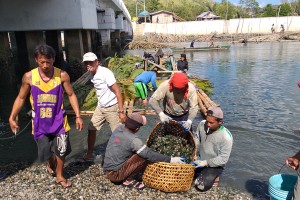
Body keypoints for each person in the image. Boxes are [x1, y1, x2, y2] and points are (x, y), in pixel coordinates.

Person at [8, 44, 84, 188]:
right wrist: (12, 117)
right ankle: (50, 162)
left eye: (48, 62)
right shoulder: (29, 77)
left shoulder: (62, 75)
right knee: (45, 152)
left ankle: (60, 175)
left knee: (61, 150)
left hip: (59, 122)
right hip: (39, 124)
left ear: (53, 60)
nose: (45, 65)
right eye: (42, 61)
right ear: (36, 60)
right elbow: (21, 98)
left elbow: (71, 94)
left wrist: (78, 116)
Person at [103, 113, 184, 190]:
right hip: (116, 175)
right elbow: (149, 155)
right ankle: (127, 179)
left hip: (107, 168)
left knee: (140, 150)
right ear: (137, 128)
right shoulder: (134, 140)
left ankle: (125, 175)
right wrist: (171, 159)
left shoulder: (119, 128)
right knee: (144, 155)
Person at [81, 52, 126, 161]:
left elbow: (117, 91)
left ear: (97, 62)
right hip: (100, 107)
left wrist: (121, 111)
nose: (88, 64)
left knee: (117, 133)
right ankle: (90, 153)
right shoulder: (92, 74)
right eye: (86, 62)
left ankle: (122, 156)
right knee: (91, 129)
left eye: (90, 62)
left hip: (111, 107)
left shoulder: (105, 73)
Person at [192, 106, 233, 192]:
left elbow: (223, 159)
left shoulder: (226, 137)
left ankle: (216, 175)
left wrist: (205, 163)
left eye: (211, 122)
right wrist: (194, 154)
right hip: (200, 159)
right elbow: (197, 139)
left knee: (200, 186)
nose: (208, 124)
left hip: (215, 165)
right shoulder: (202, 124)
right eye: (207, 121)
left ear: (220, 122)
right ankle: (203, 173)